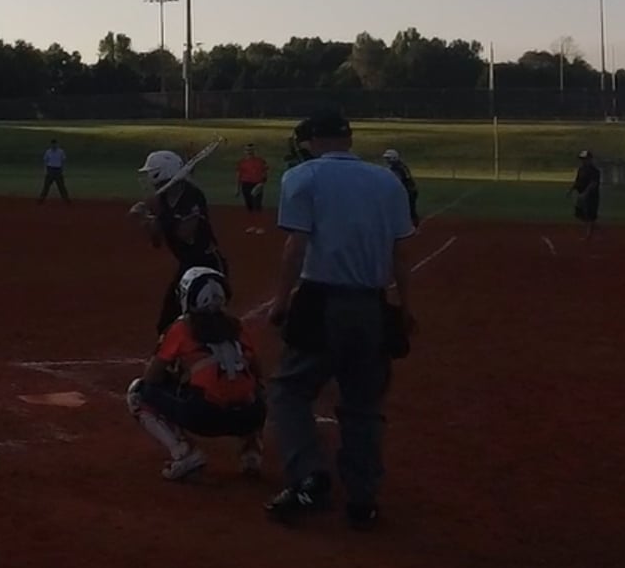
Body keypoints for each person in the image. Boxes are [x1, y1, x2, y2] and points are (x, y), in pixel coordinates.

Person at [264, 109, 417, 530]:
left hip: (321, 301)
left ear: (312, 140)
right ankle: (363, 499)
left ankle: (308, 475)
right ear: (348, 139)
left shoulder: (302, 177)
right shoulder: (387, 181)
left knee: (289, 390)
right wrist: (405, 308)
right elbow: (400, 252)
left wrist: (280, 302)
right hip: (371, 305)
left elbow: (296, 246)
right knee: (363, 405)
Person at [126, 265, 267, 481]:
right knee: (256, 388)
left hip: (204, 416)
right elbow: (258, 372)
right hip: (250, 416)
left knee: (138, 393)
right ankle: (251, 453)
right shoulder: (237, 326)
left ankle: (184, 453)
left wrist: (179, 375)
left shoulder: (182, 328)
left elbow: (152, 377)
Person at [133, 149, 230, 335]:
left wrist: (157, 214)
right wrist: (145, 219)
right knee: (166, 323)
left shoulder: (191, 195)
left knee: (206, 322)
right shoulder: (162, 198)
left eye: (152, 173)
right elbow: (156, 242)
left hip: (208, 265)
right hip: (187, 266)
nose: (149, 179)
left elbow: (185, 234)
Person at [236, 144, 270, 233]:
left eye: (251, 150)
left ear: (254, 151)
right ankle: (252, 225)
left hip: (257, 184)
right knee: (249, 206)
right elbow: (239, 175)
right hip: (246, 184)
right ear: (244, 151)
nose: (249, 152)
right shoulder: (241, 162)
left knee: (257, 205)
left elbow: (265, 173)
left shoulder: (260, 161)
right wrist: (237, 189)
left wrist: (262, 183)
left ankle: (260, 226)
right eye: (247, 150)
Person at [381, 149, 420, 226]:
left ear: (394, 158)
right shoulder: (400, 166)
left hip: (408, 191)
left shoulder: (397, 168)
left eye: (388, 158)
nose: (387, 160)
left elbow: (397, 181)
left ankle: (413, 225)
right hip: (409, 190)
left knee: (408, 209)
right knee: (409, 209)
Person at [570, 150, 600, 240]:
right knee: (581, 214)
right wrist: (571, 189)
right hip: (581, 194)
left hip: (591, 196)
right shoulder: (581, 169)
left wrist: (585, 193)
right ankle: (588, 230)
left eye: (585, 159)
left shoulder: (595, 171)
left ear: (590, 159)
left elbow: (593, 184)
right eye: (582, 159)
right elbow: (577, 181)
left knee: (590, 214)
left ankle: (589, 235)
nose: (583, 161)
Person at [38, 139, 70, 204]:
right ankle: (41, 199)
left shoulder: (61, 152)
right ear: (51, 144)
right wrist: (45, 169)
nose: (54, 145)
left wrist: (62, 169)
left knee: (61, 186)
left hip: (58, 170)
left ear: (57, 144)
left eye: (55, 144)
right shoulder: (48, 151)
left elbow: (63, 161)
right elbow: (45, 161)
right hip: (50, 169)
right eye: (53, 144)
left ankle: (66, 199)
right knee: (46, 185)